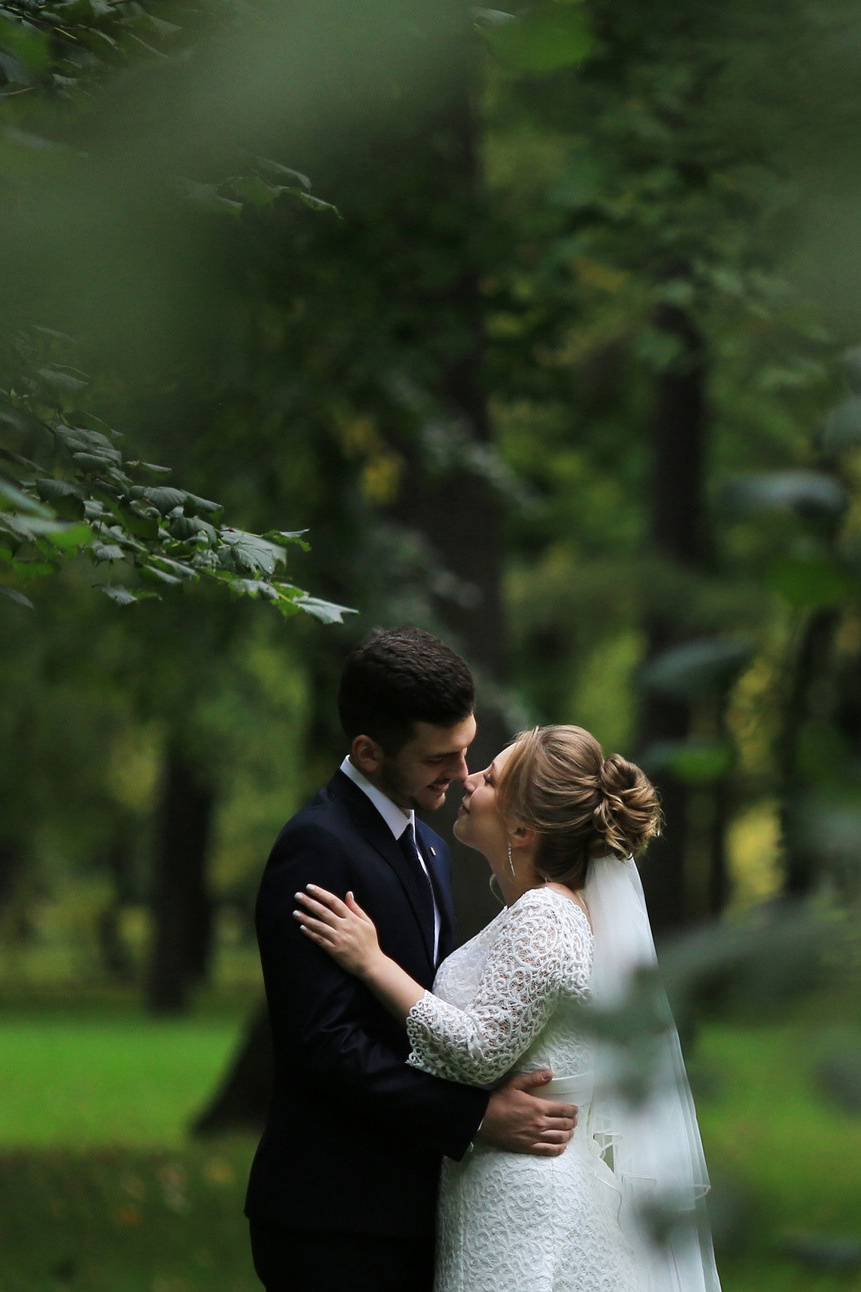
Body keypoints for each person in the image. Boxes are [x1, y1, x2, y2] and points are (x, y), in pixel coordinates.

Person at [295, 724, 723, 1292]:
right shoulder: (536, 909)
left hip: (519, 1194)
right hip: (510, 1179)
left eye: (491, 777)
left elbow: (478, 1051)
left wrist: (372, 962)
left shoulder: (545, 914)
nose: (467, 780)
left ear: (522, 827)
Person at [245, 630, 579, 1292]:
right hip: (335, 1211)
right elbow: (324, 1044)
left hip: (409, 1200)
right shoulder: (318, 847)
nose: (461, 776)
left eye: (466, 750)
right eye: (440, 758)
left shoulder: (427, 845)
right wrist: (476, 1118)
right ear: (367, 752)